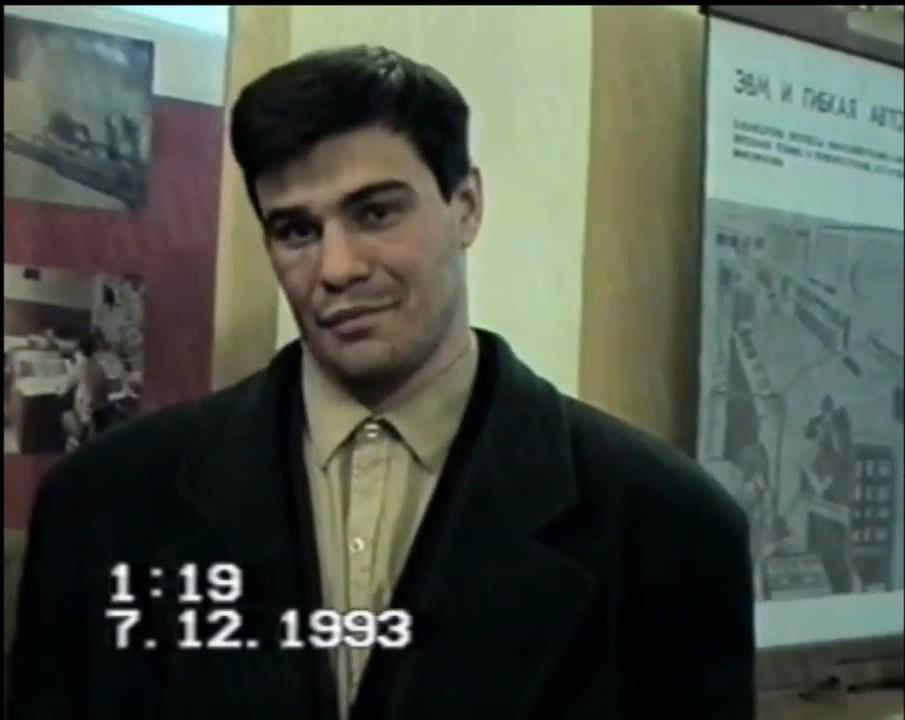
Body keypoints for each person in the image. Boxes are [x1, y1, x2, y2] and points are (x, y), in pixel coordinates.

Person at [8, 46, 754, 720]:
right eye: (297, 230)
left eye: (375, 212)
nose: (336, 268)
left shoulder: (669, 527)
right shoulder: (103, 507)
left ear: (466, 207)